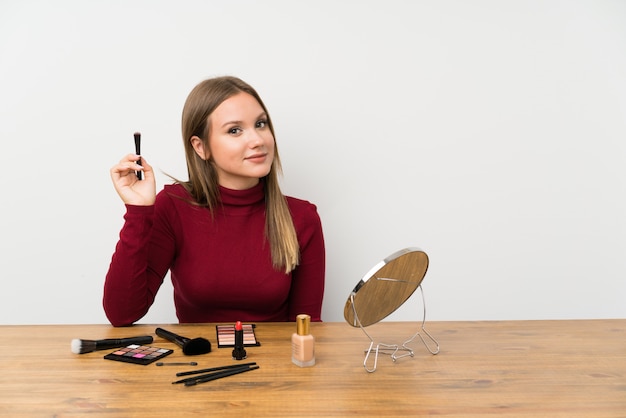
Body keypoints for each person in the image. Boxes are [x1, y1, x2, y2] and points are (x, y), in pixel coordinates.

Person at [104, 76, 325, 327]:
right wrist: (138, 211)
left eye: (261, 124)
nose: (258, 140)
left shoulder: (302, 217)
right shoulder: (173, 207)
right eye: (234, 130)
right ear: (201, 147)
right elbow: (121, 314)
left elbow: (306, 328)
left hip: (273, 363)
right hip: (195, 362)